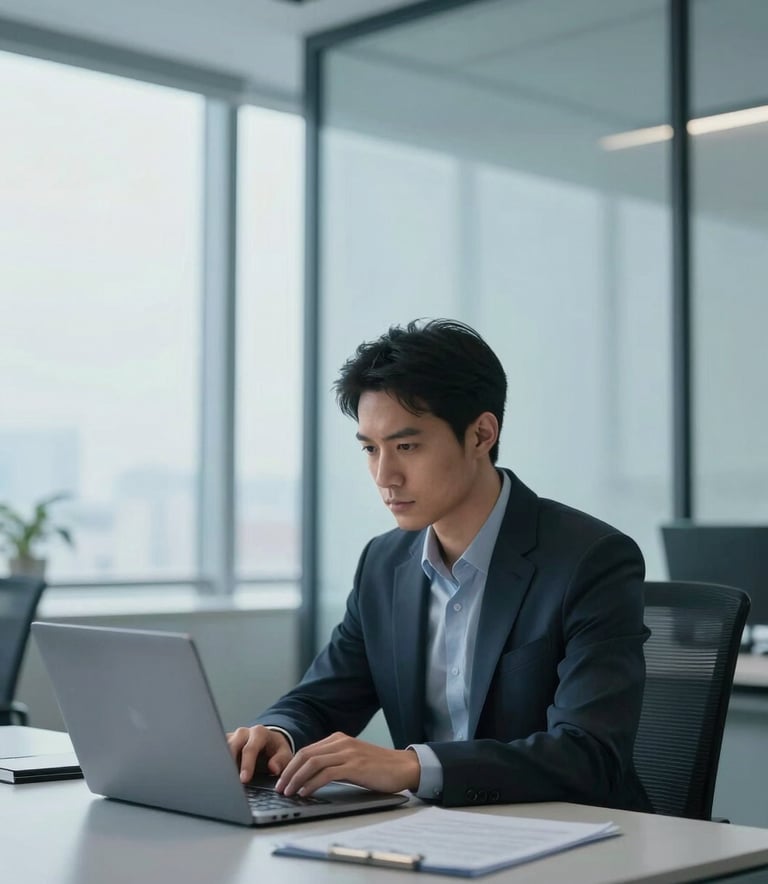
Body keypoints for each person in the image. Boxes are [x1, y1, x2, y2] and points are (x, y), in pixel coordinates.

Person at [228, 318, 651, 811]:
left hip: (577, 840)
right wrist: (278, 734)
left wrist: (411, 766)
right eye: (370, 449)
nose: (385, 476)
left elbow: (588, 754)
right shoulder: (383, 564)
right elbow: (322, 698)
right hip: (434, 838)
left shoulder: (590, 560)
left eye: (407, 446)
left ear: (481, 434)